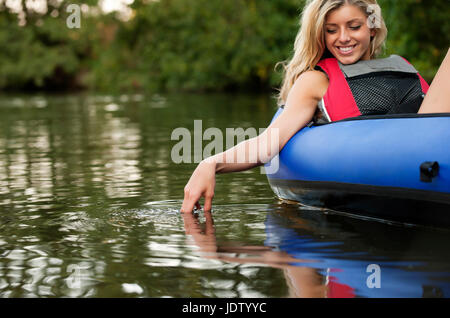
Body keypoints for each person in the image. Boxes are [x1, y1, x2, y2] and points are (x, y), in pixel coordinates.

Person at [181, 0, 450, 213]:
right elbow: (269, 142)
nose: (343, 38)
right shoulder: (315, 80)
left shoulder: (398, 68)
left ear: (372, 27)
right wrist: (211, 162)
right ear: (320, 34)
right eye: (331, 30)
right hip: (408, 154)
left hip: (428, 134)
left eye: (353, 26)